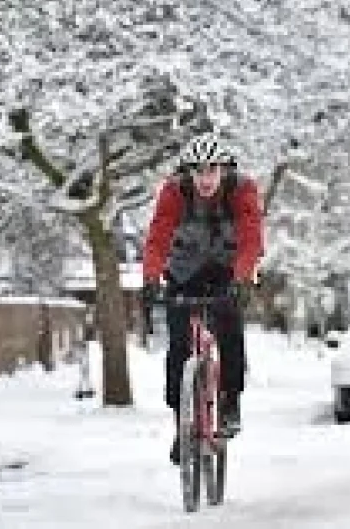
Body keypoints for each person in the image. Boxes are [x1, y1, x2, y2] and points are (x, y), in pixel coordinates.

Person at [141, 133, 263, 465]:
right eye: (198, 171)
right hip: (184, 271)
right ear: (188, 172)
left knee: (230, 329)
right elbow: (158, 238)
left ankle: (230, 401)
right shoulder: (174, 192)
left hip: (226, 269)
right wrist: (151, 277)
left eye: (212, 170)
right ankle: (181, 424)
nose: (205, 179)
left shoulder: (242, 190)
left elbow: (251, 238)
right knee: (179, 346)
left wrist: (243, 278)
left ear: (225, 170)